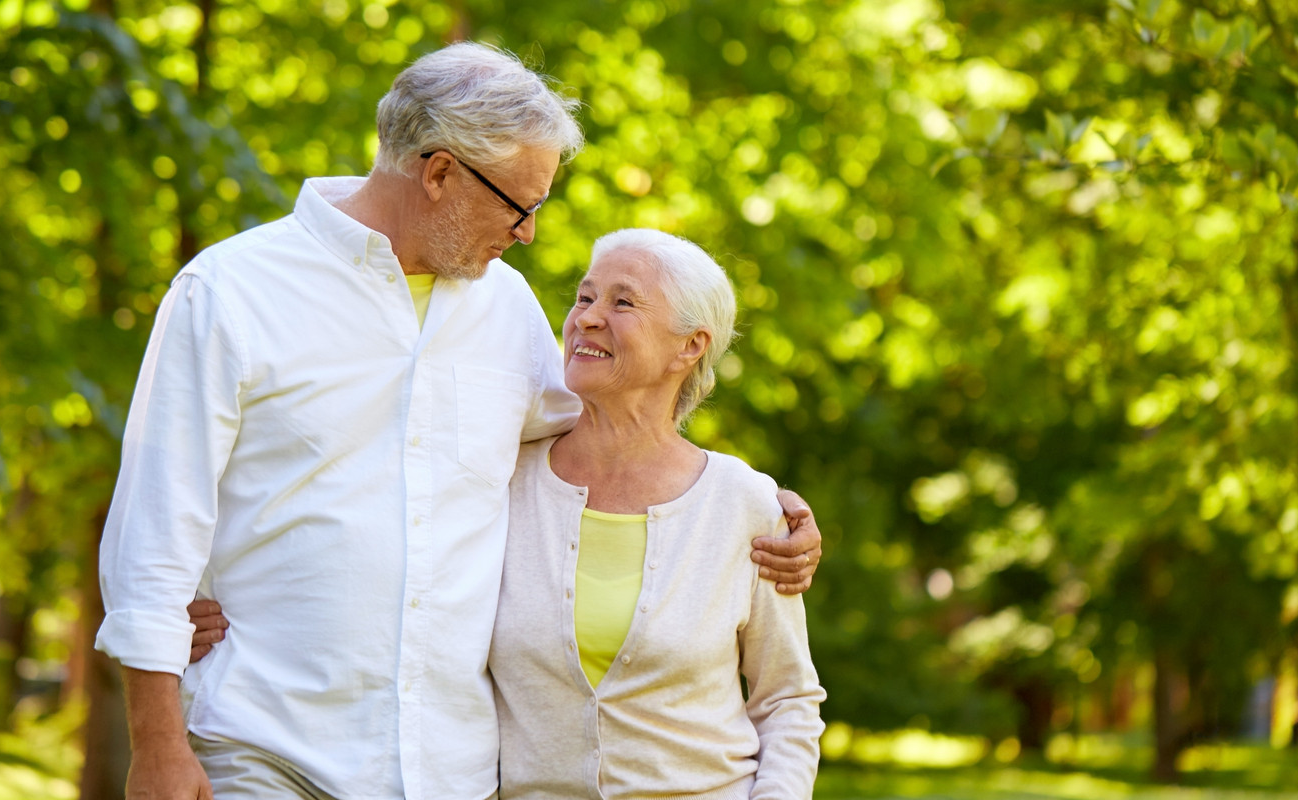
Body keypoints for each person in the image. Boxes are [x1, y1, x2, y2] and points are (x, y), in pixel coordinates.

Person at [94, 43, 822, 800]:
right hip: (267, 749)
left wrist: (764, 512)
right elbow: (153, 534)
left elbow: (615, 428)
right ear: (439, 172)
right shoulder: (231, 292)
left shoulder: (505, 309)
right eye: (520, 205)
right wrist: (157, 745)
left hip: (450, 772)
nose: (529, 233)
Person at [490, 229, 823, 799]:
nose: (588, 318)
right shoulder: (502, 478)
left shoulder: (744, 504)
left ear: (690, 346)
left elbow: (787, 698)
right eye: (584, 297)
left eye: (623, 302)